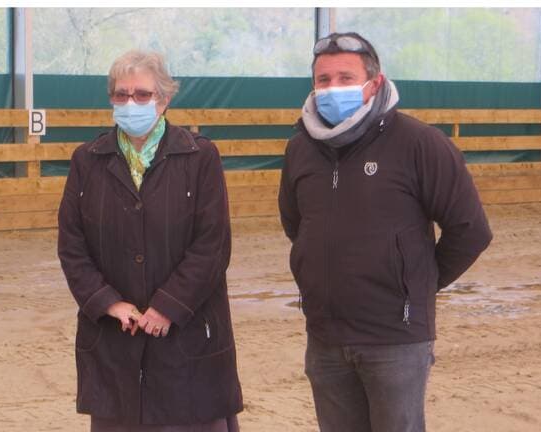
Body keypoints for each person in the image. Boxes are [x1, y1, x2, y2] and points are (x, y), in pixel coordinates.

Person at [278, 32, 493, 432]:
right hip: (325, 336)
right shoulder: (300, 149)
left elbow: (471, 230)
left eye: (346, 78)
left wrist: (416, 284)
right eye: (323, 80)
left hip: (396, 337)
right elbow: (297, 224)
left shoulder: (419, 143)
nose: (332, 89)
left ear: (374, 83)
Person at [58, 50, 243, 431]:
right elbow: (72, 246)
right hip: (114, 340)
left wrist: (168, 306)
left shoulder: (200, 157)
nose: (131, 103)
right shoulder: (86, 160)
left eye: (142, 94)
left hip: (188, 338)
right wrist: (108, 303)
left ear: (164, 98)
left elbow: (212, 245)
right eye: (122, 94)